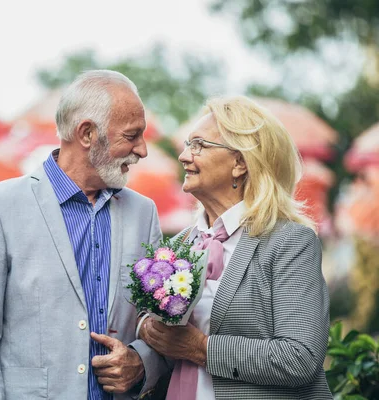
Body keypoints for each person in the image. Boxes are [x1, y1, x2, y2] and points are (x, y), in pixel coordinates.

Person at [0, 70, 167, 399]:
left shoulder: (144, 213)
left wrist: (142, 362)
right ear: (87, 134)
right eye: (132, 135)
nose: (142, 150)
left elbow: (159, 325)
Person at [139, 95, 332, 399]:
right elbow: (168, 349)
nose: (184, 156)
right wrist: (144, 345)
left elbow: (301, 357)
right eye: (188, 144)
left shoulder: (289, 242)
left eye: (199, 145)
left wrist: (201, 349)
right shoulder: (177, 246)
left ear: (240, 163)